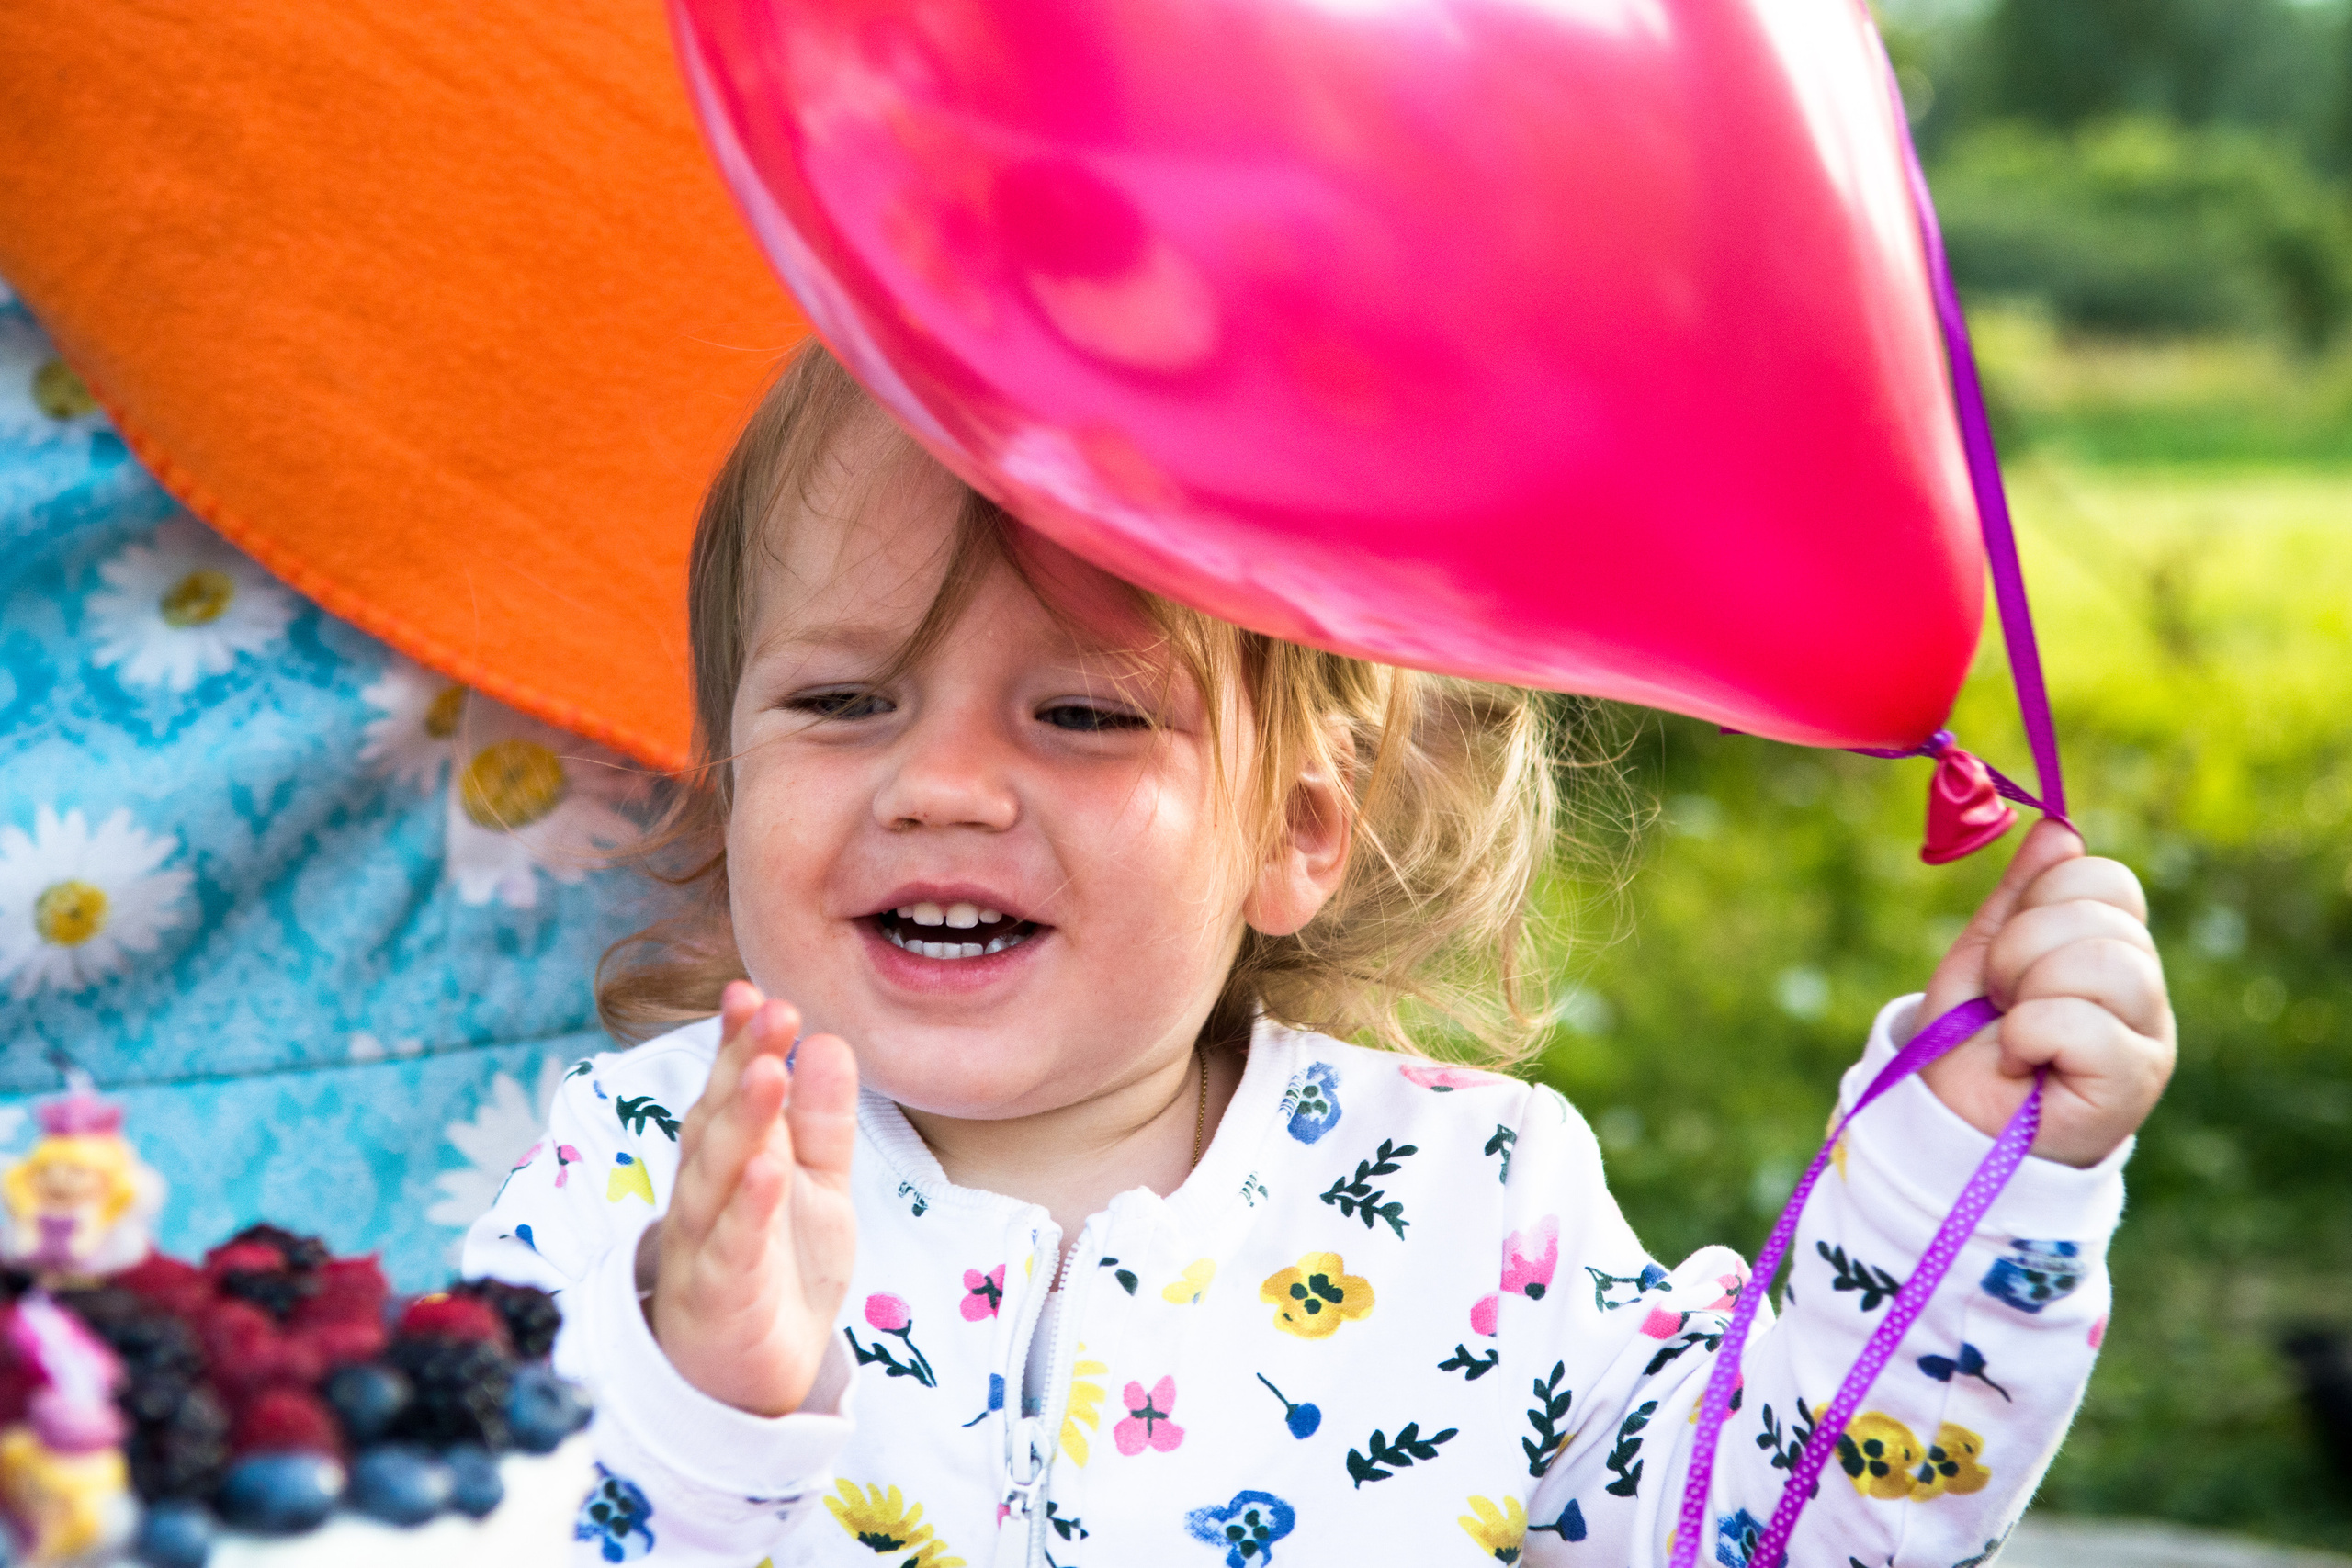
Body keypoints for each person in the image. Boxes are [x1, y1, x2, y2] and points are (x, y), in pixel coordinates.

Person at [467, 344, 2174, 1568]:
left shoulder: (1466, 1197)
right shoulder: (640, 1173)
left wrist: (1965, 1176)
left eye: (1082, 713)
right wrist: (697, 1410)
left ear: (1296, 826)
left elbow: (1778, 1523)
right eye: (841, 704)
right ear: (730, 764)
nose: (942, 787)